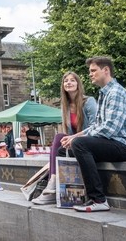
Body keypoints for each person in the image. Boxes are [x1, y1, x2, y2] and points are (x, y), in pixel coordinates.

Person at [61, 56, 126, 212]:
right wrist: (73, 137)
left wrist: (78, 139)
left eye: (93, 70)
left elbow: (109, 129)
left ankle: (98, 199)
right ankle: (72, 194)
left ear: (105, 70)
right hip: (114, 143)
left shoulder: (116, 92)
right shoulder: (104, 94)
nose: (90, 74)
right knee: (66, 148)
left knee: (79, 144)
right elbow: (98, 125)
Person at [32, 71, 97, 205]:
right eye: (66, 80)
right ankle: (53, 182)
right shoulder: (65, 106)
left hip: (90, 141)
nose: (69, 82)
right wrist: (69, 140)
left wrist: (74, 137)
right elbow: (67, 132)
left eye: (72, 80)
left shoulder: (89, 102)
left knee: (61, 138)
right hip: (75, 143)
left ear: (78, 84)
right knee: (59, 136)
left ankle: (51, 186)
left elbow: (95, 127)